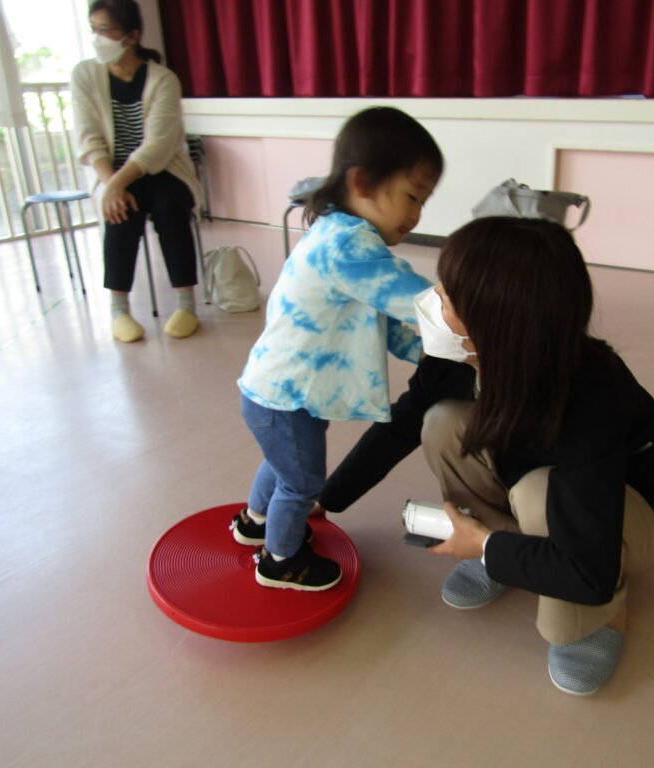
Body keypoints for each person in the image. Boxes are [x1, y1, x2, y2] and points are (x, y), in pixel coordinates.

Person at [316, 217, 654, 695]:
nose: (432, 299)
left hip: (637, 518)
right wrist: (328, 498)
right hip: (553, 488)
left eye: (448, 295)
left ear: (496, 326)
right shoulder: (459, 355)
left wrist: (484, 547)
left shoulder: (590, 396)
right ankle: (505, 544)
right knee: (440, 423)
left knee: (542, 491)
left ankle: (592, 622)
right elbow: (401, 425)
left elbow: (588, 568)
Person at [234, 107, 444, 592]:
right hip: (284, 397)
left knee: (282, 462)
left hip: (280, 393)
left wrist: (426, 352)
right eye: (412, 196)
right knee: (302, 483)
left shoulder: (339, 236)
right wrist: (474, 313)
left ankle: (254, 523)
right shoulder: (351, 246)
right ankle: (280, 561)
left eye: (423, 202)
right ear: (364, 182)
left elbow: (385, 323)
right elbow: (415, 302)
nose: (416, 215)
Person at [71, 0, 202, 343]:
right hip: (110, 171)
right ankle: (119, 309)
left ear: (132, 36)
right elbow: (89, 139)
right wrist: (111, 185)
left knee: (170, 206)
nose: (98, 38)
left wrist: (116, 183)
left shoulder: (163, 80)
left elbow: (158, 146)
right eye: (94, 30)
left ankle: (186, 304)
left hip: (162, 170)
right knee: (120, 210)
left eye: (105, 30)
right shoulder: (85, 75)